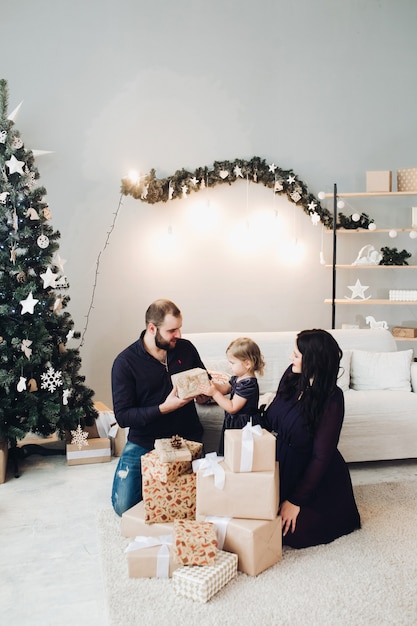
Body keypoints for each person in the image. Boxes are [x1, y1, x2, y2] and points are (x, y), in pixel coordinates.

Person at [264, 329, 361, 549]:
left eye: (296, 355)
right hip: (280, 464)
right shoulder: (291, 375)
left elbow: (320, 456)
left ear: (313, 361)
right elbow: (273, 416)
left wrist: (296, 500)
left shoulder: (332, 399)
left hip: (313, 472)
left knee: (291, 533)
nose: (291, 358)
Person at [111, 299, 206, 516]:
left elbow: (203, 379)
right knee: (124, 507)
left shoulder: (185, 349)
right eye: (172, 330)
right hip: (146, 441)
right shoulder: (125, 363)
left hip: (187, 438)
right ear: (152, 328)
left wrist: (204, 395)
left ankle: (159, 486)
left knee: (199, 502)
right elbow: (124, 416)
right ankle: (153, 482)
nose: (179, 335)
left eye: (180, 328)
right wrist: (163, 408)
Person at [199, 337, 265, 455]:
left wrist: (214, 393)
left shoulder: (248, 384)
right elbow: (225, 388)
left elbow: (232, 407)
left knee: (238, 453)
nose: (230, 366)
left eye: (232, 363)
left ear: (247, 364)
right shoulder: (238, 378)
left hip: (243, 425)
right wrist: (212, 385)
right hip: (233, 422)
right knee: (228, 449)